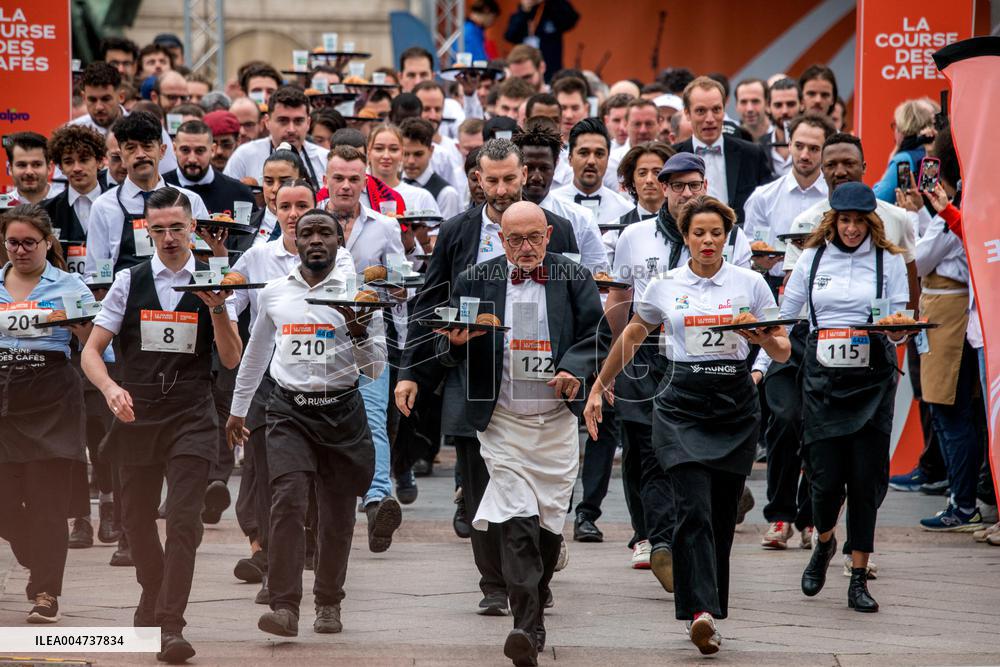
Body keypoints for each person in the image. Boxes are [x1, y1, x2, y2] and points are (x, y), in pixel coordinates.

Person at [585, 195, 790, 655]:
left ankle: (709, 609)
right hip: (680, 405)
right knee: (691, 508)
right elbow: (634, 334)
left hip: (735, 405)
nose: (707, 241)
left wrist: (762, 337)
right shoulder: (663, 285)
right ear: (685, 236)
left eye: (716, 233)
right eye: (698, 233)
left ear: (728, 235)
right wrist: (601, 385)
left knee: (719, 515)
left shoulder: (752, 284)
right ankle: (699, 613)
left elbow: (781, 350)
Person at [396, 139, 579, 616]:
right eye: (490, 180)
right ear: (477, 180)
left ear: (525, 177)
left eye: (509, 179)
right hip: (477, 379)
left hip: (547, 393)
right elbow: (430, 304)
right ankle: (494, 584)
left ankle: (533, 570)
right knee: (480, 487)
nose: (500, 188)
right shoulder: (458, 231)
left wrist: (577, 370)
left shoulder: (557, 232)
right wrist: (416, 369)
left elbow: (582, 319)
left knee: (541, 498)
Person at [435, 201, 609, 666]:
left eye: (534, 238)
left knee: (549, 526)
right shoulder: (476, 279)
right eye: (515, 239)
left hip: (555, 423)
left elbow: (598, 334)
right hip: (503, 422)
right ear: (500, 238)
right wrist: (452, 342)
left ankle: (536, 602)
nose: (525, 248)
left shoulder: (573, 278)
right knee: (516, 522)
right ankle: (524, 627)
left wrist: (574, 368)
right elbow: (444, 340)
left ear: (549, 235)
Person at [81, 188, 243, 663]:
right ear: (145, 231)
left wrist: (217, 306)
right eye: (159, 229)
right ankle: (152, 592)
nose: (169, 238)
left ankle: (171, 623)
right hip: (137, 411)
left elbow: (230, 357)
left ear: (193, 227)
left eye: (177, 227)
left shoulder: (214, 278)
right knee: (135, 519)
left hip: (193, 411)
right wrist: (111, 389)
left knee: (184, 519)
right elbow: (92, 351)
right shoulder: (129, 281)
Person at [226, 208, 384, 638]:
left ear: (339, 241)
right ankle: (284, 606)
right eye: (306, 232)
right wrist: (239, 409)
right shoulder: (276, 292)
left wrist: (358, 330)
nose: (315, 239)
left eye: (325, 233)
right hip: (288, 411)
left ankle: (329, 602)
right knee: (287, 501)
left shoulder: (360, 295)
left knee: (336, 515)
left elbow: (373, 370)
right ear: (293, 239)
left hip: (340, 413)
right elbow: (256, 355)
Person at [779, 182, 909, 614]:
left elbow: (899, 317)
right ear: (833, 221)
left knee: (866, 477)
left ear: (870, 221)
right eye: (845, 220)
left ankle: (858, 576)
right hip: (823, 377)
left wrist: (898, 327)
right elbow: (786, 313)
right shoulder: (812, 258)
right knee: (824, 476)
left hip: (872, 377)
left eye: (859, 221)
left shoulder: (887, 259)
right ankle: (825, 540)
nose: (852, 229)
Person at [0, 204, 99, 623]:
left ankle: (46, 592)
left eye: (29, 243)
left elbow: (99, 346)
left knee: (47, 502)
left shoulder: (70, 285)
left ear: (48, 243)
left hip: (52, 395)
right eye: (13, 242)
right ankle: (36, 560)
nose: (21, 250)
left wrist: (83, 330)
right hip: (5, 396)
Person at [899, 127, 985, 532]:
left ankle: (962, 501)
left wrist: (930, 212)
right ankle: (966, 496)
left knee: (949, 410)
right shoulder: (960, 204)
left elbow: (923, 257)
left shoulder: (963, 205)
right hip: (948, 306)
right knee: (956, 409)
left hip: (948, 309)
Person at [323, 146, 405, 551]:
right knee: (323, 413)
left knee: (373, 413)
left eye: (354, 178)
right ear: (326, 179)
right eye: (338, 177)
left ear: (365, 180)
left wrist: (402, 342)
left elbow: (401, 285)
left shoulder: (384, 227)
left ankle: (377, 501)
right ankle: (324, 503)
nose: (345, 185)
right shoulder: (311, 220)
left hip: (369, 335)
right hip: (319, 336)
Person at [84, 111, 209, 278]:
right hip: (126, 299)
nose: (141, 154)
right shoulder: (103, 206)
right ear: (121, 155)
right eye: (131, 148)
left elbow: (206, 262)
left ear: (162, 150)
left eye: (147, 146)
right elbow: (94, 275)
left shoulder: (191, 201)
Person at [673, 76, 773, 224]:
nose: (710, 118)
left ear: (724, 110)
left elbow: (767, 204)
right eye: (701, 111)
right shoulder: (672, 156)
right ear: (687, 113)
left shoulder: (752, 154)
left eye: (716, 109)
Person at [512, 118, 607, 272]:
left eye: (544, 168)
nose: (536, 176)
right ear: (518, 167)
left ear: (556, 164)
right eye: (529, 168)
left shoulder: (580, 218)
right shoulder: (498, 216)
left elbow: (599, 280)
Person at [70, 62, 179, 175]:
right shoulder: (72, 132)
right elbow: (60, 184)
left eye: (106, 99)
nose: (99, 107)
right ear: (83, 97)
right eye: (92, 100)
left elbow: (168, 176)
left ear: (121, 96)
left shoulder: (151, 128)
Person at [224, 87, 327, 189]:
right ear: (267, 122)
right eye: (283, 121)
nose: (291, 129)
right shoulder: (244, 156)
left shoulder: (324, 159)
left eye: (298, 121)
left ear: (308, 123)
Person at [550, 118, 633, 225]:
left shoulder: (625, 210)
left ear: (608, 159)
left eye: (599, 154)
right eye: (584, 153)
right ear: (570, 158)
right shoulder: (551, 206)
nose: (591, 161)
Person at [163, 120, 256, 216]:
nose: (192, 159)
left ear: (213, 150)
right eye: (185, 150)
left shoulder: (240, 193)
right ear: (174, 149)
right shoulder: (159, 188)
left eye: (200, 151)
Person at [872, 98, 937, 204]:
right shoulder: (930, 156)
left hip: (909, 218)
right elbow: (929, 194)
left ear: (903, 127)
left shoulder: (903, 160)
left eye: (895, 126)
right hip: (926, 218)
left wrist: (893, 162)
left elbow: (878, 200)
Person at [399, 118, 462, 219]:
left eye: (418, 154)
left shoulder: (446, 194)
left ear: (431, 151)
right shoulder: (389, 184)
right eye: (405, 154)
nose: (411, 161)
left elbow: (447, 234)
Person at [504, 0, 579, 81]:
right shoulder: (522, 12)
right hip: (524, 68)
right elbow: (510, 36)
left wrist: (551, 2)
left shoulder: (552, 9)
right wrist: (523, 10)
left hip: (550, 69)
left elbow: (571, 19)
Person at [412, 81, 466, 191]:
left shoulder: (456, 149)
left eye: (437, 109)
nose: (433, 116)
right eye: (426, 109)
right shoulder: (400, 149)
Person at [758, 78, 803, 178]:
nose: (785, 111)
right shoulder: (759, 146)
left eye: (791, 104)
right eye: (778, 105)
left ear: (802, 104)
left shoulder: (817, 145)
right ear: (768, 107)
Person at [5, 132, 56, 205]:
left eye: (37, 164)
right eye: (21, 165)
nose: (29, 172)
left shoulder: (67, 203)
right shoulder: (3, 205)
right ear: (10, 169)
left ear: (49, 168)